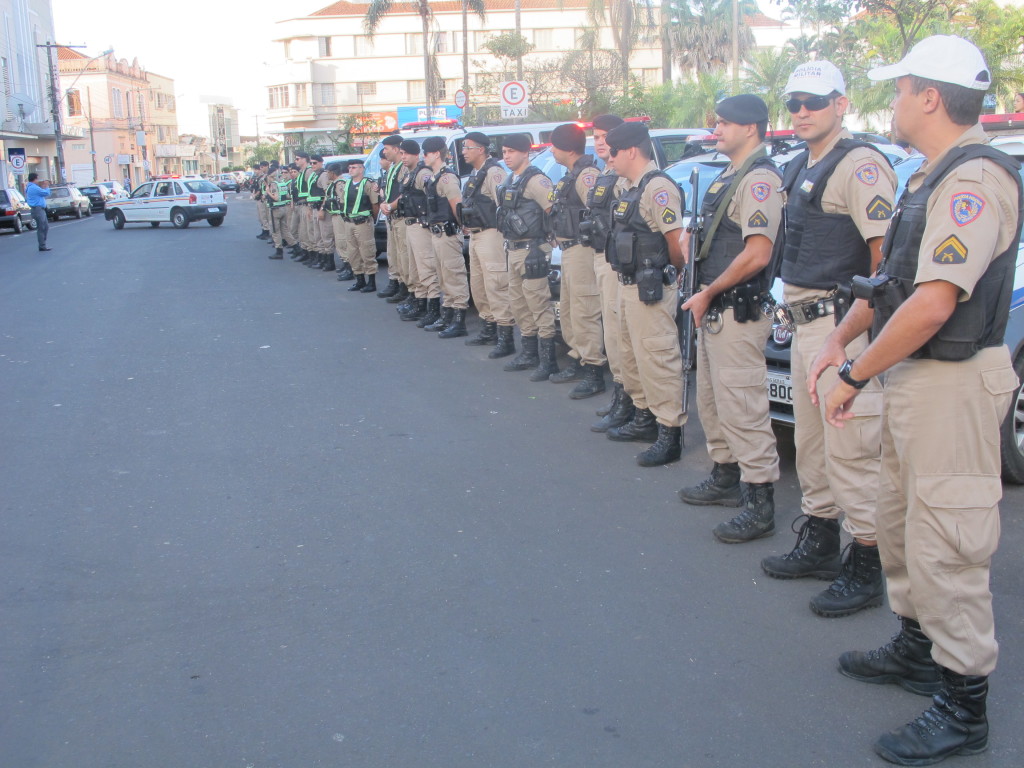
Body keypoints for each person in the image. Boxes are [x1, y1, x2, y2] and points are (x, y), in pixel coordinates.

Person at [808, 35, 1021, 765]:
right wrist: (842, 341)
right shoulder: (928, 176)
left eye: (900, 91)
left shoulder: (974, 180)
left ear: (931, 97)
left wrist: (854, 373)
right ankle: (918, 647)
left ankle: (964, 704)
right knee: (901, 524)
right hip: (914, 376)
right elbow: (892, 286)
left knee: (947, 540)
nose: (893, 104)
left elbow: (934, 304)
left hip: (952, 381)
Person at [758, 61, 895, 616]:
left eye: (814, 100)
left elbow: (884, 265)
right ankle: (819, 540)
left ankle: (867, 563)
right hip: (804, 321)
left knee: (852, 451)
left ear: (842, 103)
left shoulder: (861, 166)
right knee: (814, 448)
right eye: (793, 102)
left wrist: (847, 335)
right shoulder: (798, 165)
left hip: (842, 328)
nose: (802, 111)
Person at [678, 95, 782, 532]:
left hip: (736, 310)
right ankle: (725, 475)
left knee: (743, 406)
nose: (715, 130)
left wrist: (709, 291)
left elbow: (758, 253)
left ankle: (759, 502)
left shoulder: (759, 180)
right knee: (713, 401)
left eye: (724, 124)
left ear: (751, 129)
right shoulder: (728, 176)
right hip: (715, 307)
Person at [603, 121, 686, 466]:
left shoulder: (658, 188)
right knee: (631, 356)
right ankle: (643, 417)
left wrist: (672, 275)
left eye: (613, 152)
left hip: (651, 289)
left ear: (632, 151)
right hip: (629, 285)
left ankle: (669, 433)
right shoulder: (629, 186)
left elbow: (676, 243)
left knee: (658, 359)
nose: (608, 158)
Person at [548, 123, 607, 398]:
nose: (551, 150)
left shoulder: (586, 175)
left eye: (554, 145)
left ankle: (594, 370)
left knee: (585, 310)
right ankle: (578, 357)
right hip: (570, 250)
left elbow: (597, 215)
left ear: (568, 148)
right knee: (571, 311)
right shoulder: (572, 174)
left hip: (583, 251)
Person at [585, 114, 634, 432]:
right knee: (612, 335)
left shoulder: (624, 177)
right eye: (596, 136)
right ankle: (622, 396)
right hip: (602, 256)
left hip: (620, 262)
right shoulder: (605, 173)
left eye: (605, 136)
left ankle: (631, 402)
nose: (600, 142)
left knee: (621, 336)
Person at [497, 133, 559, 380]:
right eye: (504, 152)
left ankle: (548, 361)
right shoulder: (512, 179)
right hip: (513, 249)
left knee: (538, 304)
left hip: (532, 250)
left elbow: (553, 212)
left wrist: (547, 240)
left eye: (511, 151)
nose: (506, 156)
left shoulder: (537, 181)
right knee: (519, 304)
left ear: (526, 152)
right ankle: (529, 353)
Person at [460, 132, 515, 356]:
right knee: (479, 284)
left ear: (481, 149)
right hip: (476, 234)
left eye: (467, 147)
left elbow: (503, 206)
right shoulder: (476, 173)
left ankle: (505, 336)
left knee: (496, 284)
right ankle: (488, 328)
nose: (463, 151)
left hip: (491, 233)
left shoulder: (494, 172)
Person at [421, 136, 471, 336]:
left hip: (448, 233)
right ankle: (448, 316)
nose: (423, 157)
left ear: (435, 154)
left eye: (425, 153)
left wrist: (462, 226)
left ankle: (459, 322)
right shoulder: (435, 176)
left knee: (454, 276)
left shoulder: (447, 177)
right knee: (444, 277)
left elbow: (456, 204)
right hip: (437, 233)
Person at [397, 139, 440, 325]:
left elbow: (433, 196)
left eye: (406, 153)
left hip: (421, 225)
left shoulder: (423, 173)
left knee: (427, 268)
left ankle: (434, 308)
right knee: (415, 269)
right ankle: (420, 303)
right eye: (401, 153)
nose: (403, 157)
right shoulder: (410, 173)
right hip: (411, 224)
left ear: (416, 155)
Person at [379, 135, 414, 305]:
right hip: (392, 217)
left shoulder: (404, 168)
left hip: (401, 215)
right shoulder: (393, 167)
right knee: (395, 255)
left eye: (386, 148)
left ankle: (408, 289)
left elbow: (404, 193)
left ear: (395, 149)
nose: (384, 152)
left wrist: (390, 205)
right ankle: (399, 284)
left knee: (404, 255)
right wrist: (384, 204)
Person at [337, 159, 381, 293]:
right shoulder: (347, 183)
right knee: (353, 252)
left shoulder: (368, 183)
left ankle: (371, 282)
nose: (350, 170)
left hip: (363, 223)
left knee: (367, 251)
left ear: (362, 169)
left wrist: (371, 219)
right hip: (349, 221)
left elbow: (375, 204)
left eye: (354, 167)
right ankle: (359, 280)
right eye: (349, 167)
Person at [263, 162, 299, 259]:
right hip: (283, 208)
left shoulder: (274, 185)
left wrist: (268, 192)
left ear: (270, 176)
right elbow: (287, 196)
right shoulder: (282, 184)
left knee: (276, 231)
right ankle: (296, 247)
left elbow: (276, 198)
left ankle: (279, 251)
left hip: (275, 210)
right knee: (285, 230)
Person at [25, 173, 51, 251]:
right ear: (34, 179)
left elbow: (41, 193)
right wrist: (47, 186)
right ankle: (42, 245)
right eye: (37, 179)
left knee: (45, 227)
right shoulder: (33, 187)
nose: (38, 180)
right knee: (42, 227)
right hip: (38, 209)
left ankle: (43, 243)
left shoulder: (32, 187)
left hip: (39, 209)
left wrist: (43, 187)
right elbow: (46, 193)